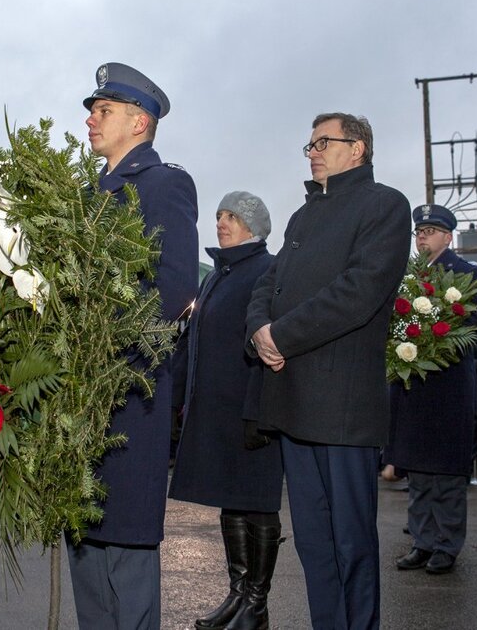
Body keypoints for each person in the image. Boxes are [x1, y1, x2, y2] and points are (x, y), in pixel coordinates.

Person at [246, 112, 411, 629]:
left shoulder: (383, 205)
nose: (312, 151)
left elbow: (358, 293)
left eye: (323, 142)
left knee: (351, 542)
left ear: (357, 148)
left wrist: (282, 336)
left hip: (341, 408)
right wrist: (259, 331)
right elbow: (266, 285)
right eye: (310, 144)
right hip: (292, 399)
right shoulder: (302, 216)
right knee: (315, 545)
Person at [67, 62, 198, 629]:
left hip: (127, 387)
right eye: (94, 111)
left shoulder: (164, 183)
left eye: (104, 111)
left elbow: (174, 285)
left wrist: (103, 341)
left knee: (124, 541)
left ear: (139, 122)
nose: (92, 120)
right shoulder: (82, 196)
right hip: (75, 396)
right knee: (82, 537)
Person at [169, 191, 283, 629]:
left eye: (232, 216)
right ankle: (238, 594)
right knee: (231, 503)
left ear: (254, 227)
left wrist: (259, 410)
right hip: (217, 410)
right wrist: (179, 397)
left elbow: (268, 341)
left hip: (250, 411)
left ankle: (257, 604)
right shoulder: (219, 275)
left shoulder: (265, 270)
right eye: (219, 215)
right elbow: (192, 343)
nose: (221, 222)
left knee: (256, 502)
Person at [390, 204, 477, 575]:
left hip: (448, 390)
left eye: (430, 231)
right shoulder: (407, 277)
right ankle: (423, 540)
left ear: (449, 236)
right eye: (419, 232)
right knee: (418, 474)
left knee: (447, 474)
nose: (422, 237)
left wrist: (433, 337)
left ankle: (446, 544)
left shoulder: (468, 273)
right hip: (414, 390)